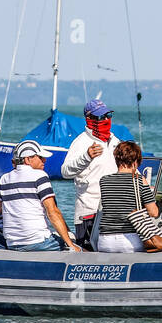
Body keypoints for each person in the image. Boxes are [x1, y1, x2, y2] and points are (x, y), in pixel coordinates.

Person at [0, 140, 80, 252]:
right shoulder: (40, 176)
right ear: (28, 159)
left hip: (13, 244)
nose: (44, 160)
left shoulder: (4, 179)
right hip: (39, 243)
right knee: (73, 239)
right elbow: (53, 212)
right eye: (40, 157)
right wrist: (70, 245)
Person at [60, 98, 122, 249]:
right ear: (89, 119)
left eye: (108, 116)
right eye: (101, 117)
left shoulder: (115, 141)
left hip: (113, 211)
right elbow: (65, 172)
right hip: (89, 212)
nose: (106, 120)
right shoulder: (81, 142)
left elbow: (126, 167)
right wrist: (86, 157)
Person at [94, 141, 161, 252]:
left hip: (105, 241)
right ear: (136, 162)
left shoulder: (104, 180)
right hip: (129, 240)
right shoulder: (140, 180)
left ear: (116, 160)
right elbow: (153, 212)